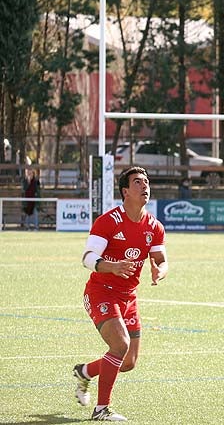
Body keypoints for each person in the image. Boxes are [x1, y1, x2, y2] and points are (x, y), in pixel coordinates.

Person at [72, 166, 168, 422]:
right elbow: (88, 257)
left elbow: (161, 258)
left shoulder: (155, 226)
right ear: (125, 191)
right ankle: (101, 409)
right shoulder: (108, 221)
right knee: (120, 345)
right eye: (138, 182)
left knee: (128, 362)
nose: (145, 186)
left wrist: (160, 270)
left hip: (129, 297)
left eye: (146, 181)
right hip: (101, 292)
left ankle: (84, 372)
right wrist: (111, 266)